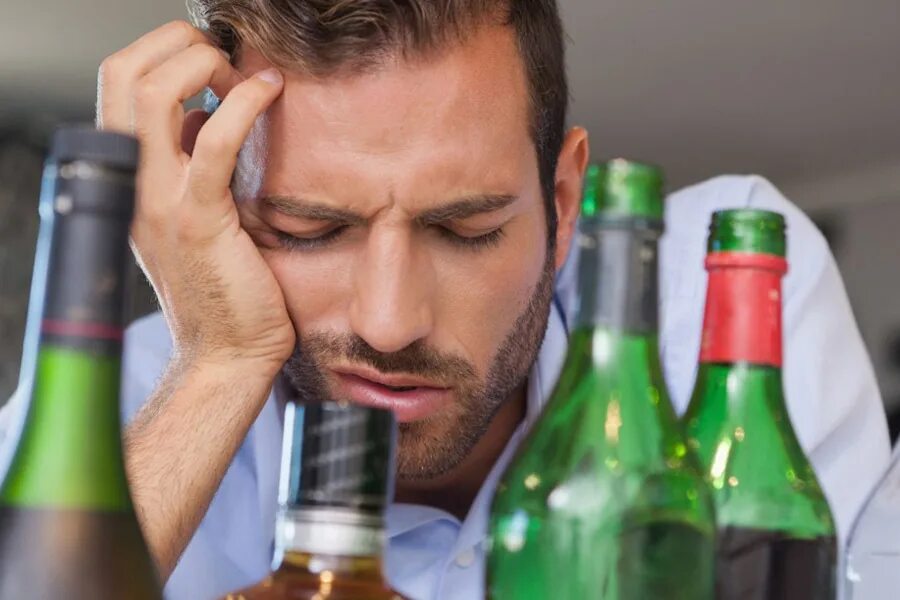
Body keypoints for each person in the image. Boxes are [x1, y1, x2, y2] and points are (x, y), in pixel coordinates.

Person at [0, 2, 890, 599]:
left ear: (567, 195)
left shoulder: (717, 291)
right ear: (221, 200)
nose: (391, 323)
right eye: (310, 232)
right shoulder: (131, 402)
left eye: (466, 231)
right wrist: (221, 366)